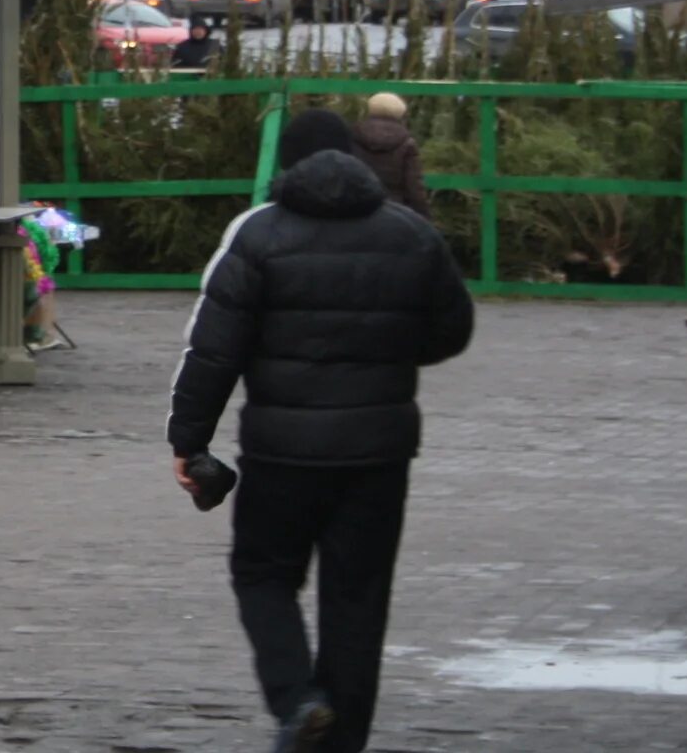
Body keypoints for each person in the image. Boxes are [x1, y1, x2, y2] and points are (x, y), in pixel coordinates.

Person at [169, 109, 476, 753]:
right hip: (380, 451)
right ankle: (343, 739)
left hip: (282, 452)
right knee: (359, 596)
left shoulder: (259, 235)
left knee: (263, 574)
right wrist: (389, 356)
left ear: (288, 165)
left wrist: (189, 441)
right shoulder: (411, 234)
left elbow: (214, 349)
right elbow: (453, 329)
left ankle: (297, 700)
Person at [351, 93, 432, 218]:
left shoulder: (353, 137)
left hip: (357, 208)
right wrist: (423, 216)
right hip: (394, 210)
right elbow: (414, 186)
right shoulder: (406, 143)